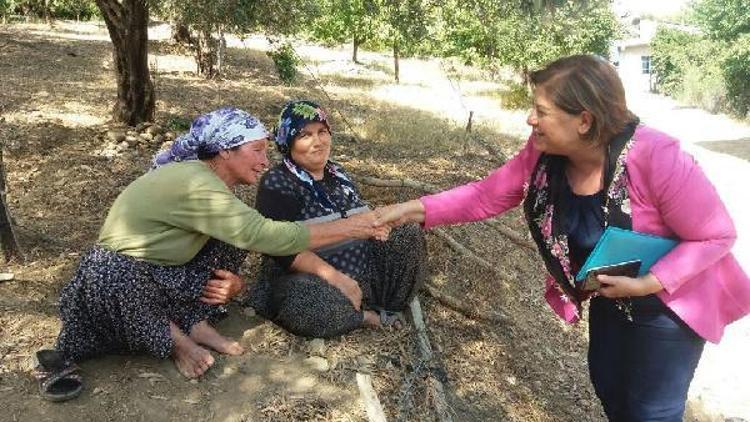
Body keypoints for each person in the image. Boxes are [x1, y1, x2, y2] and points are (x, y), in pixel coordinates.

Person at [373, 55, 750, 421]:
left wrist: (648, 283)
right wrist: (407, 210)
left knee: (652, 412)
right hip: (610, 293)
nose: (529, 119)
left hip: (672, 301)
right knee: (612, 393)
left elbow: (716, 235)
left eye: (541, 110)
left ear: (584, 120)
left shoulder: (656, 157)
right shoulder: (544, 153)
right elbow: (485, 195)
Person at [37, 107, 387, 401]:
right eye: (257, 151)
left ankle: (196, 321)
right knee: (114, 270)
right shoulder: (197, 184)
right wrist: (356, 227)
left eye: (266, 151)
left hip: (161, 272)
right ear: (225, 151)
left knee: (234, 236)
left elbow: (246, 233)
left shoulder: (210, 184)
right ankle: (177, 342)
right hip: (114, 280)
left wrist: (233, 281)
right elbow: (264, 235)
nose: (266, 162)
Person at [247, 100, 426, 338]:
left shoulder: (338, 173)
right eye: (305, 135)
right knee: (300, 300)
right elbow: (280, 249)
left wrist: (378, 227)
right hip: (313, 281)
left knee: (409, 232)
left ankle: (385, 305)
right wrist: (337, 279)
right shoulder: (278, 182)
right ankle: (362, 317)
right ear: (288, 141)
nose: (318, 141)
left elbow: (356, 218)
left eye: (322, 132)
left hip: (362, 271)